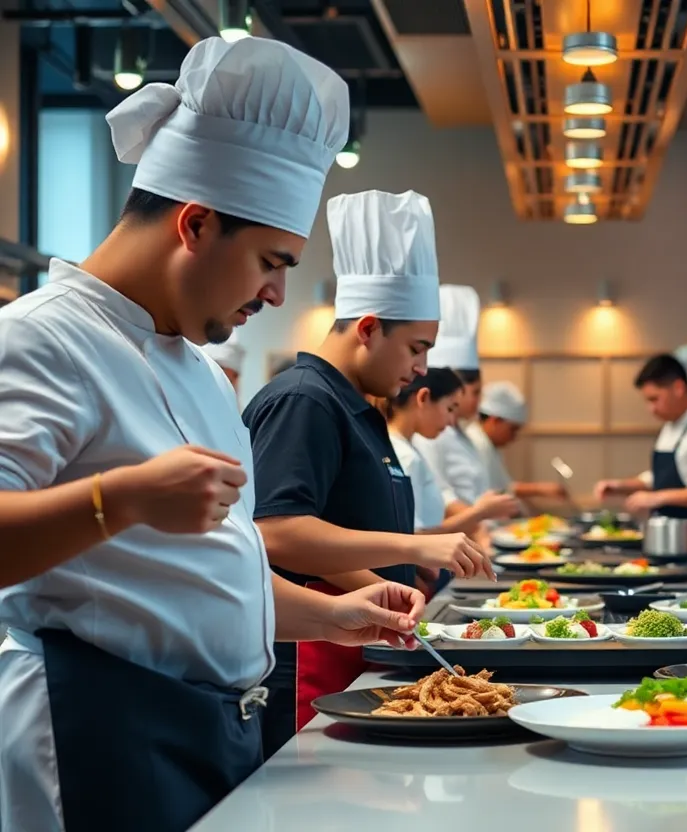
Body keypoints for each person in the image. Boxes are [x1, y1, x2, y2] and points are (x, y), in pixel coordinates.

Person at [0, 37, 425, 832]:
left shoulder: (197, 369)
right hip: (99, 731)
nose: (277, 294)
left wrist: (330, 612)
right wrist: (121, 499)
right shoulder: (41, 338)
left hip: (207, 728)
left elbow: (196, 576)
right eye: (272, 262)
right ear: (194, 224)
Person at [242, 190, 493, 755]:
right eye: (416, 348)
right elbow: (275, 531)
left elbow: (331, 541)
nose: (423, 368)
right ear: (369, 328)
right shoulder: (305, 400)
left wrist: (384, 591)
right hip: (306, 659)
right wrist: (416, 547)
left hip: (355, 646)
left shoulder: (357, 407)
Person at [594, 354, 687, 523]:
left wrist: (657, 497)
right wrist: (621, 486)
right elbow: (661, 478)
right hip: (667, 529)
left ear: (678, 388)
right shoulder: (671, 424)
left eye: (654, 399)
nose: (651, 409)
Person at [381, 369, 519, 533]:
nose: (451, 421)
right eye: (450, 409)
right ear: (423, 398)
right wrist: (479, 512)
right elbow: (412, 537)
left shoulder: (406, 448)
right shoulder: (404, 455)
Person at [413, 284, 497, 506]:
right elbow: (441, 496)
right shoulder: (429, 434)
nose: (479, 401)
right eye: (475, 392)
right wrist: (480, 516)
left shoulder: (462, 432)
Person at [467, 381, 568, 501]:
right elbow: (491, 492)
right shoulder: (475, 445)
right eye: (513, 430)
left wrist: (540, 489)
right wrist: (539, 489)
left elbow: (503, 486)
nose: (514, 437)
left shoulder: (487, 444)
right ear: (495, 421)